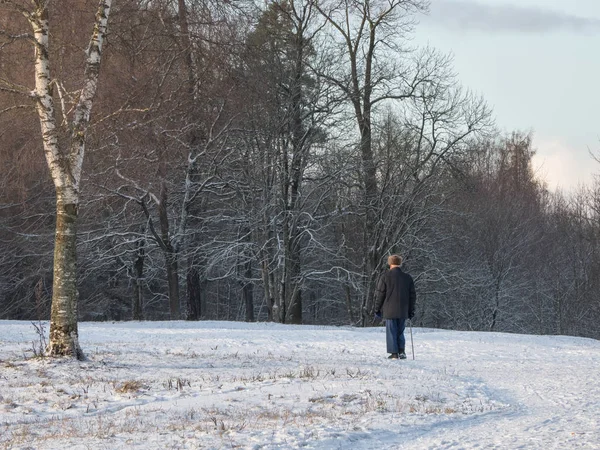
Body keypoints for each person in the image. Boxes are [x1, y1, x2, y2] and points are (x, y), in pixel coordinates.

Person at [374, 254, 416, 359]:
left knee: (391, 331)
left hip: (389, 309)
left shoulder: (385, 276)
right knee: (400, 331)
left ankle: (394, 353)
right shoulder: (407, 277)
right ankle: (402, 351)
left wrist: (377, 308)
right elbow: (412, 295)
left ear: (390, 263)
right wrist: (411, 310)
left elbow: (380, 294)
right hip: (403, 309)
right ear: (400, 263)